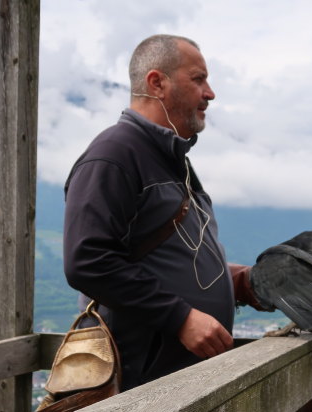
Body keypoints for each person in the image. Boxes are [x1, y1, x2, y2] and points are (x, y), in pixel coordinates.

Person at [63, 34, 265, 391]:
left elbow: (166, 255)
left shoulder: (174, 161)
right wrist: (181, 318)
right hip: (136, 383)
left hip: (174, 380)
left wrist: (232, 280)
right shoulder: (113, 155)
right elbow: (87, 261)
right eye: (198, 79)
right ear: (157, 83)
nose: (210, 93)